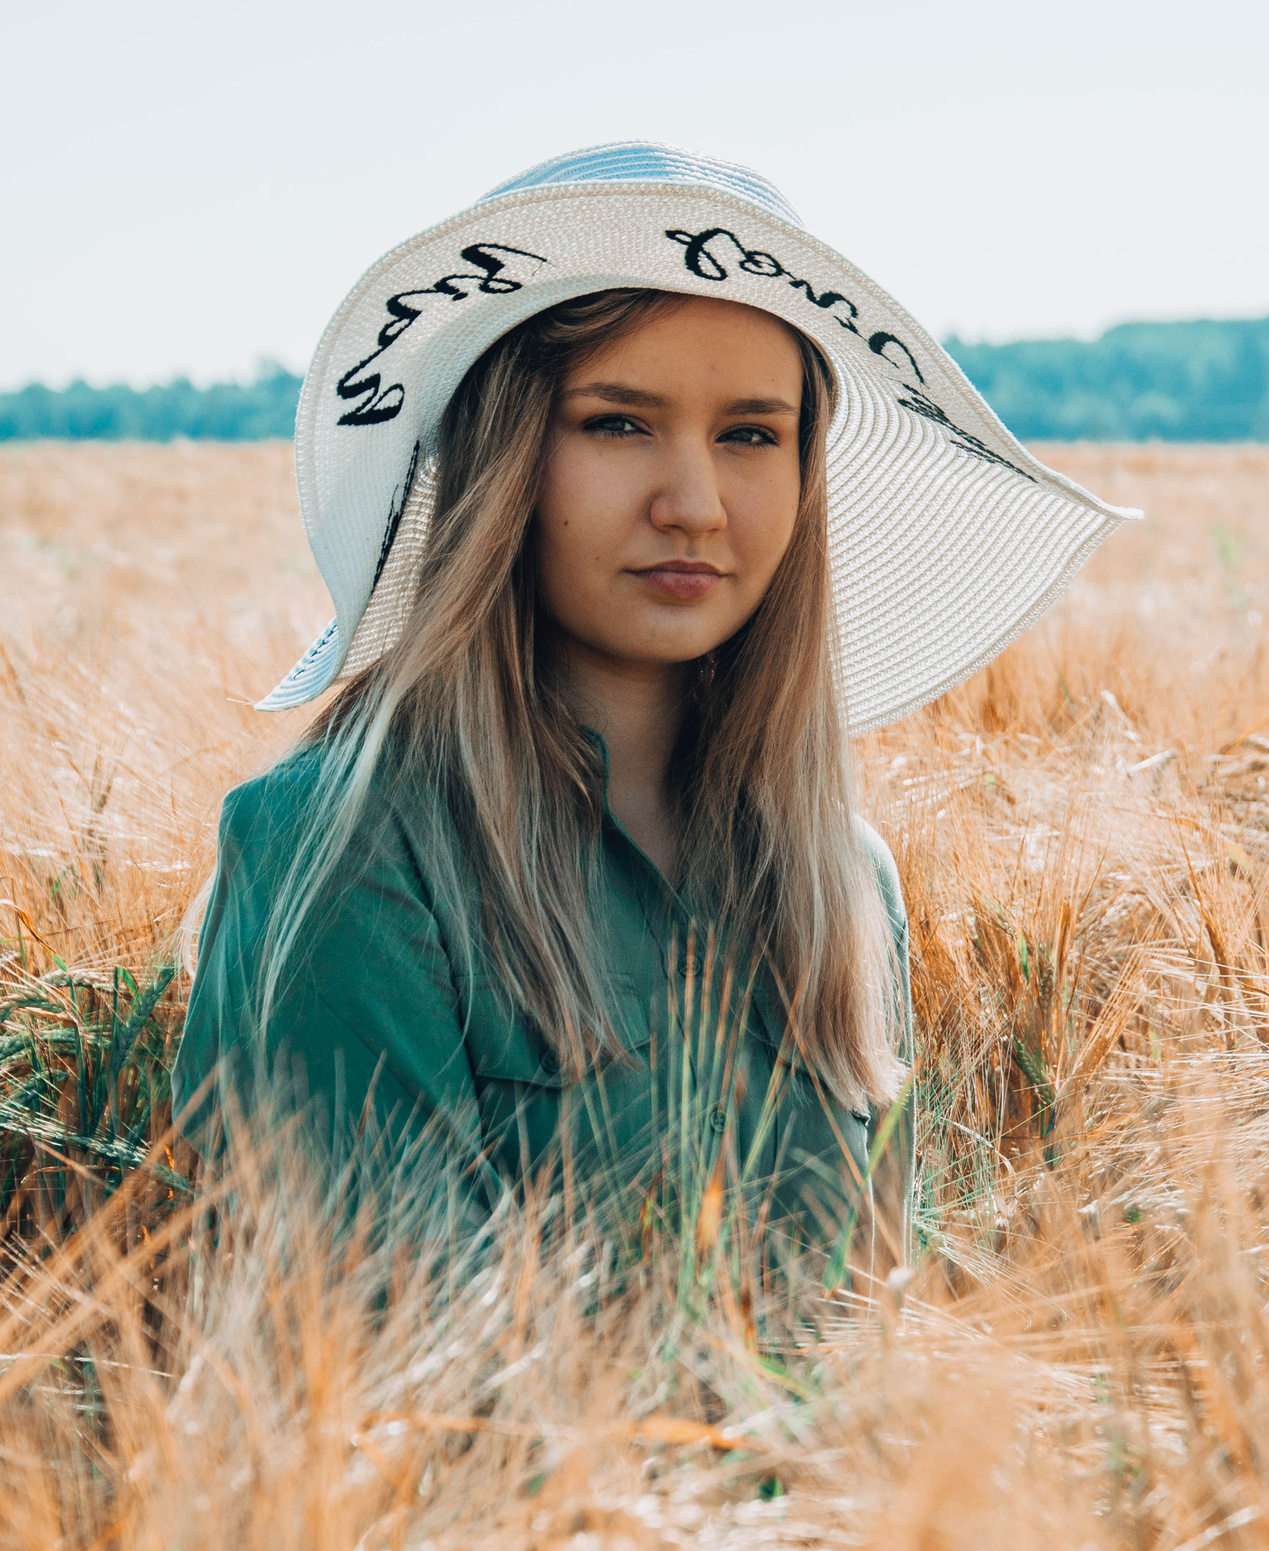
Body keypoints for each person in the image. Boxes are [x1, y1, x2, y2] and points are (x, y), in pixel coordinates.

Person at [171, 142, 1134, 1264]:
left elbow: (875, 1326)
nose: (695, 503)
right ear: (505, 456)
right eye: (618, 422)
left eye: (750, 434)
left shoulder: (839, 873)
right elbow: (398, 1370)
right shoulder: (346, 847)